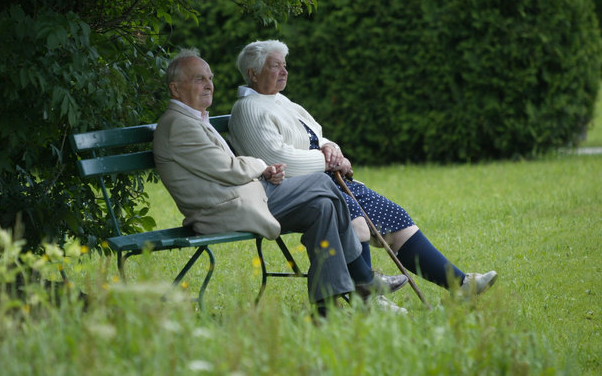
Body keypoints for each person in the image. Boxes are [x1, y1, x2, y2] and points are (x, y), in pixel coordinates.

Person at [228, 40, 498, 297]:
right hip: (297, 192)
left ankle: (460, 284)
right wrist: (329, 161)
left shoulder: (281, 101)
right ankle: (370, 298)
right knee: (356, 220)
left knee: (395, 217)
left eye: (285, 64)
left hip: (325, 181)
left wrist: (331, 148)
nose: (284, 71)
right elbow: (277, 158)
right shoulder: (249, 108)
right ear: (253, 73)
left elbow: (317, 134)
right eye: (275, 66)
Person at [152, 48, 409, 315]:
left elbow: (222, 170)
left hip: (243, 198)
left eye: (210, 78)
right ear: (175, 89)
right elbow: (229, 169)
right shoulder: (179, 125)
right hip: (222, 210)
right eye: (199, 79)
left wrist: (262, 173)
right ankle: (363, 279)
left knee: (322, 207)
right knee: (322, 184)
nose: (209, 85)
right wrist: (262, 166)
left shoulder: (193, 119)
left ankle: (325, 309)